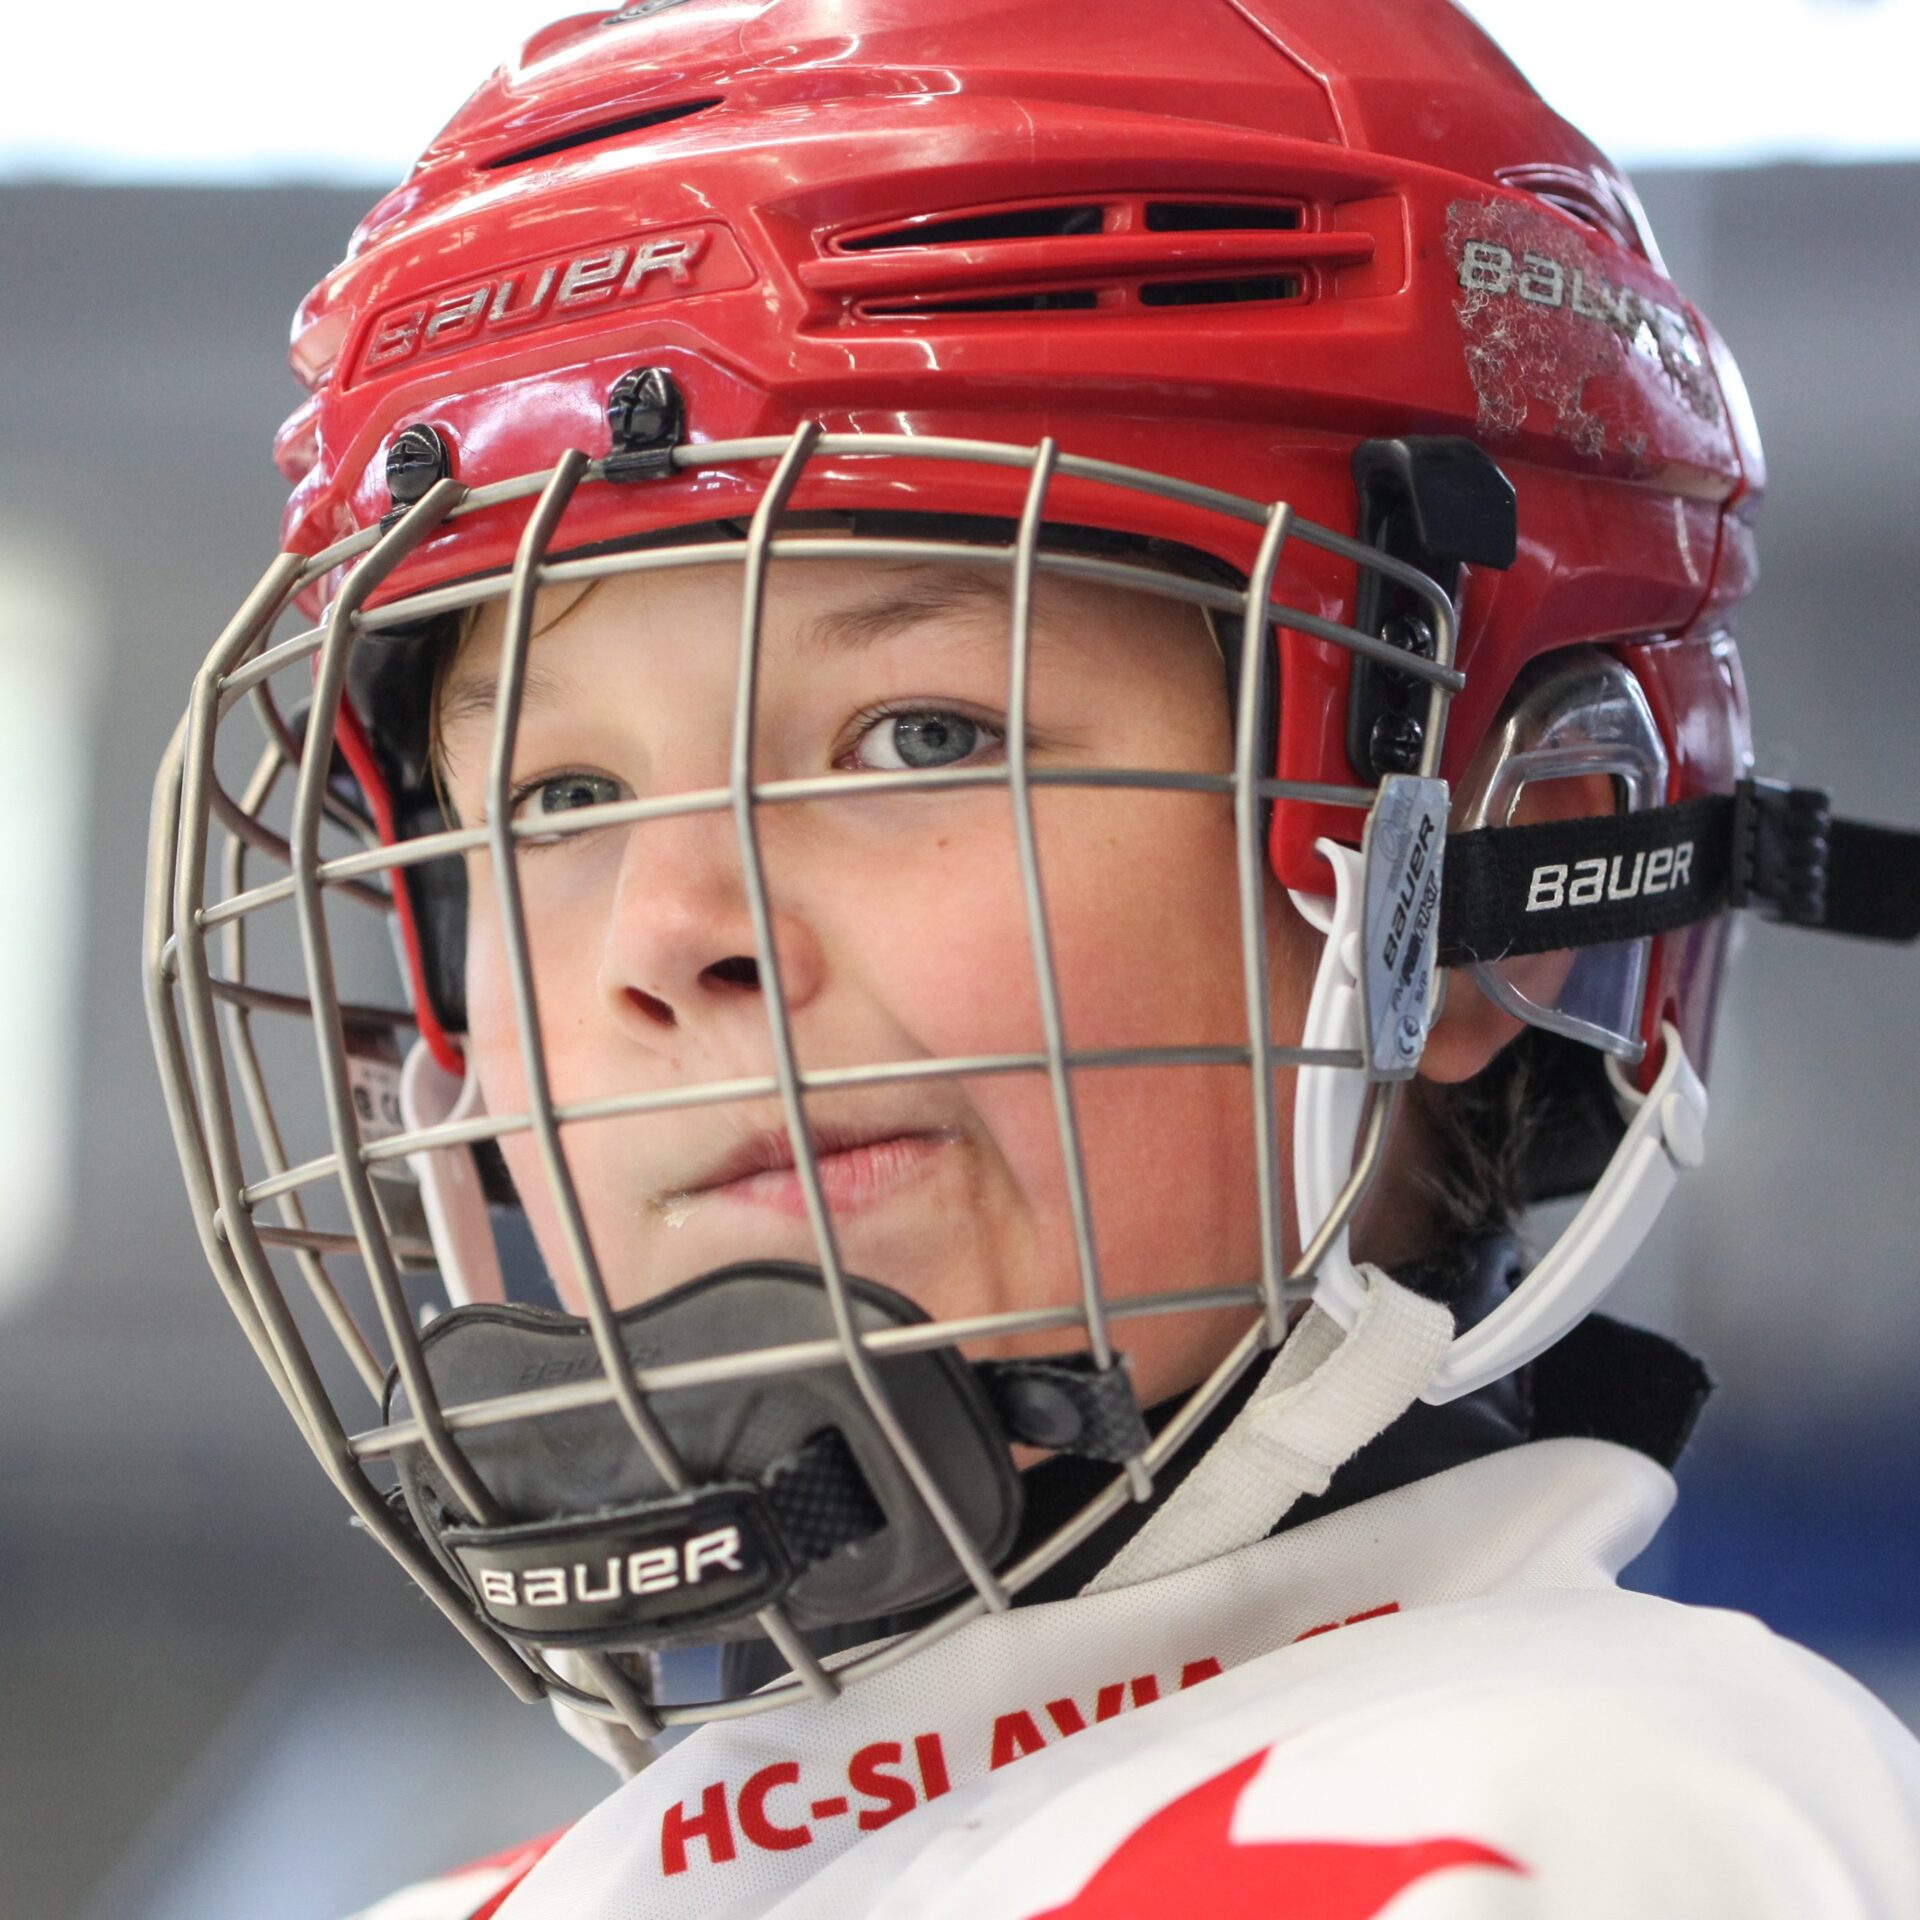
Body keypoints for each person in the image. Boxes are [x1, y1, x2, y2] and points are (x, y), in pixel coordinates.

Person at [142, 2, 1920, 1915]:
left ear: (1506, 879)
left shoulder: (1574, 1829)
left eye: (918, 737)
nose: (668, 937)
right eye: (558, 799)